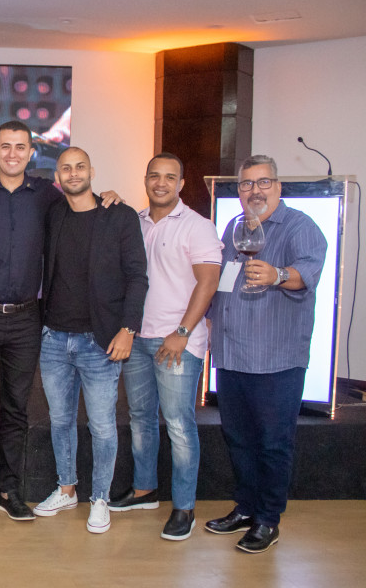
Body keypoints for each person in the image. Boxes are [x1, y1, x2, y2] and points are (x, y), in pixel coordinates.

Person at [0, 121, 121, 520]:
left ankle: (8, 490)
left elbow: (83, 205)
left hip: (27, 319)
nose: (12, 153)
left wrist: (109, 196)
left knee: (16, 409)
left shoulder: (48, 195)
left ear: (31, 153)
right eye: (5, 146)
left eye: (20, 147)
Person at [205, 154, 326, 553]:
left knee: (273, 443)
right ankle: (245, 508)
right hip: (232, 355)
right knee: (238, 439)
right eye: (246, 184)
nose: (254, 191)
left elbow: (307, 273)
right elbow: (225, 280)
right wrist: (210, 320)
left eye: (263, 182)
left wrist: (277, 275)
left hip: (276, 359)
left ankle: (268, 519)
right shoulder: (234, 227)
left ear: (278, 186)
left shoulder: (300, 227)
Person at [33, 146, 147, 534]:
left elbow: (137, 277)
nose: (73, 173)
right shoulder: (54, 214)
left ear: (92, 171)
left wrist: (128, 328)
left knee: (102, 426)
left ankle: (100, 498)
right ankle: (67, 489)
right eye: (66, 168)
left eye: (80, 166)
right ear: (58, 177)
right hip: (53, 338)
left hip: (100, 340)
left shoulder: (120, 216)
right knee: (61, 420)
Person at [109, 153, 222, 541]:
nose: (161, 183)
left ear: (181, 184)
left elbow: (208, 282)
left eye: (170, 177)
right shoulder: (135, 222)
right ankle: (144, 491)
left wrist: (183, 332)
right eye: (154, 176)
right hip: (137, 338)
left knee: (178, 424)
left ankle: (184, 507)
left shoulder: (198, 226)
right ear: (145, 180)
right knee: (141, 418)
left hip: (177, 342)